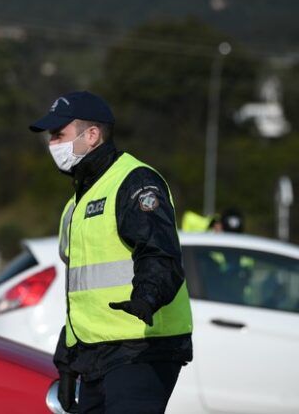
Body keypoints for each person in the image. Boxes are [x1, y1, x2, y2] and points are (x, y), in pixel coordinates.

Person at [29, 91, 193, 413]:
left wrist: (146, 297)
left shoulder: (134, 182)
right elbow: (80, 294)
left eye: (59, 135)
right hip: (96, 355)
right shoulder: (75, 206)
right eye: (50, 137)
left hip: (143, 348)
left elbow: (160, 253)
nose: (53, 145)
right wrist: (67, 361)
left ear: (92, 135)